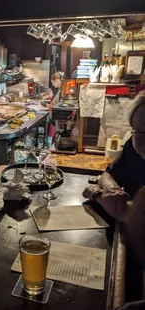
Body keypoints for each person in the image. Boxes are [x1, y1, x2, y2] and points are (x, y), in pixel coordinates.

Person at [83, 91, 145, 302]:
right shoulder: (133, 147)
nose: (143, 138)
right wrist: (110, 189)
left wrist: (102, 197)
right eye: (139, 130)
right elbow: (108, 173)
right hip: (127, 249)